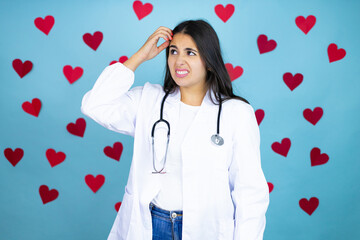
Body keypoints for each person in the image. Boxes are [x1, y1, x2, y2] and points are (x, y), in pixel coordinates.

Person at [81, 19, 269, 240]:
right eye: (173, 51)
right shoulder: (149, 100)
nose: (179, 61)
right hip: (151, 226)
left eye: (190, 53)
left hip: (205, 229)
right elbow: (94, 105)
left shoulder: (237, 113)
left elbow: (250, 192)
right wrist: (139, 56)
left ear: (209, 61)